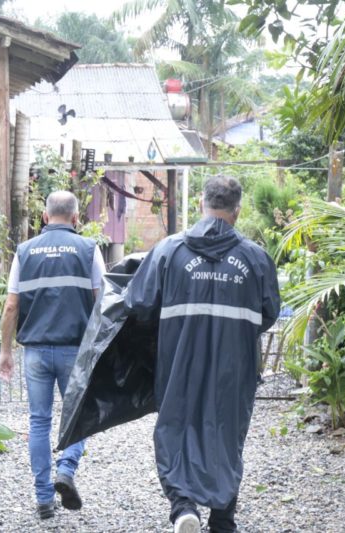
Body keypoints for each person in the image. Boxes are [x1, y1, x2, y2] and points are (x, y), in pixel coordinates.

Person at [125, 176, 280, 533]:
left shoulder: (168, 251)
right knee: (227, 434)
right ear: (237, 211)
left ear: (200, 204)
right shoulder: (256, 259)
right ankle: (222, 519)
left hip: (178, 365)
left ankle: (183, 509)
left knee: (176, 430)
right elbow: (269, 312)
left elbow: (138, 305)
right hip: (234, 369)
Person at [0, 190, 106, 520]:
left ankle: (44, 498)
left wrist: (5, 351)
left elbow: (11, 305)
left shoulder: (24, 252)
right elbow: (103, 304)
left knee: (39, 421)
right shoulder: (89, 250)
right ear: (76, 218)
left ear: (45, 217)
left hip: (36, 354)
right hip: (76, 350)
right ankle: (67, 469)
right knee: (81, 415)